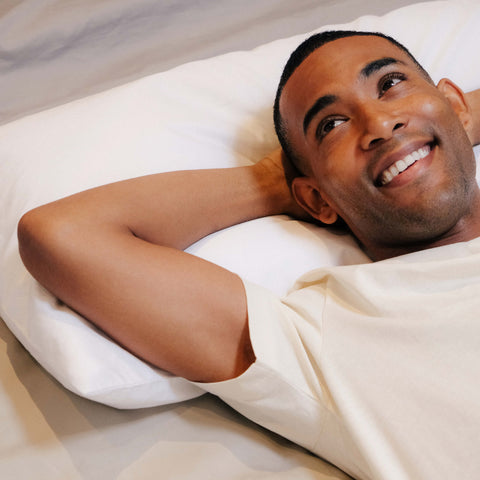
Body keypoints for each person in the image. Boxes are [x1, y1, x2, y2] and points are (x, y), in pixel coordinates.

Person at [17, 30, 480, 480]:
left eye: (391, 85)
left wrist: (448, 124)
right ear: (316, 199)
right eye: (331, 126)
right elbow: (63, 235)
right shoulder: (328, 334)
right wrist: (280, 184)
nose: (378, 125)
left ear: (458, 105)